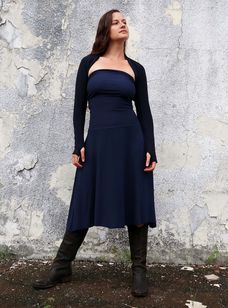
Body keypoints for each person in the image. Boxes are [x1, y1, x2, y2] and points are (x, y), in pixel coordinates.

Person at [32, 9, 158, 298]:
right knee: (83, 199)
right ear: (105, 29)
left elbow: (145, 113)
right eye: (116, 21)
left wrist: (150, 149)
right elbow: (78, 108)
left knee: (136, 201)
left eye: (124, 21)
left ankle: (139, 271)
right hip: (98, 142)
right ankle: (62, 266)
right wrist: (79, 144)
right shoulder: (88, 63)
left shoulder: (136, 69)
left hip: (131, 143)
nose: (122, 24)